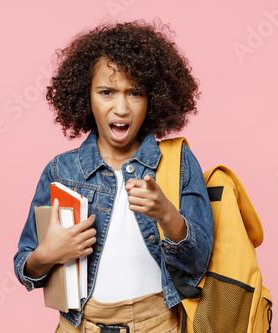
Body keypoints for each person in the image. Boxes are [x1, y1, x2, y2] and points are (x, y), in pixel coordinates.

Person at [13, 20, 214, 332]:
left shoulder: (177, 163)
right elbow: (25, 267)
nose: (121, 107)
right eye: (107, 92)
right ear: (85, 95)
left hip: (158, 324)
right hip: (80, 325)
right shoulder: (61, 171)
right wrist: (47, 255)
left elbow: (198, 263)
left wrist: (166, 214)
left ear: (153, 99)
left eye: (135, 93)